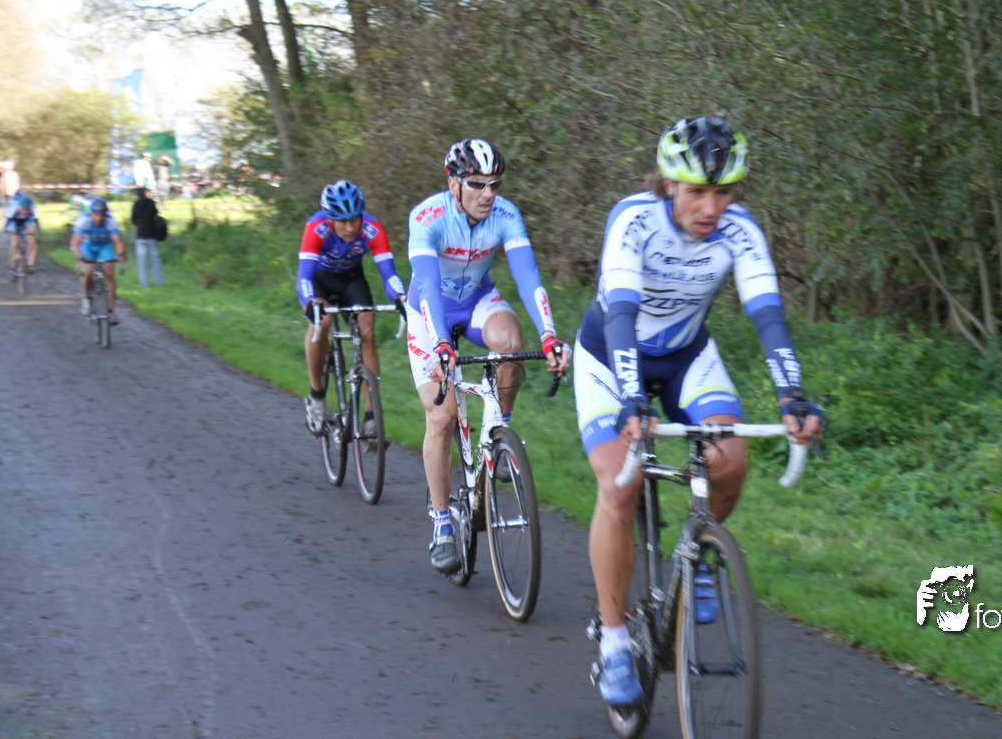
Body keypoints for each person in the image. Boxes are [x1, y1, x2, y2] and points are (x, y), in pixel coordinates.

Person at [575, 117, 823, 705]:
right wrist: (632, 399)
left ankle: (701, 554)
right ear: (668, 184)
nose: (711, 207)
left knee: (730, 460)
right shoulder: (633, 220)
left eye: (724, 192)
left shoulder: (740, 231)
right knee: (618, 488)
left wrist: (791, 395)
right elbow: (621, 312)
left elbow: (767, 314)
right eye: (697, 192)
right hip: (611, 356)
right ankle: (614, 643)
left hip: (686, 357)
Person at [405, 138, 571, 575]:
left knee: (511, 343)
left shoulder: (505, 215)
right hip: (429, 310)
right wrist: (441, 344)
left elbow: (527, 275)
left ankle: (498, 433)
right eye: (477, 184)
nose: (488, 193)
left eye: (495, 184)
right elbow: (426, 283)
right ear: (454, 184)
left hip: (476, 299)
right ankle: (442, 523)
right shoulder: (427, 217)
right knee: (441, 418)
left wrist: (549, 335)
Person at [299, 180, 407, 436]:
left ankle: (371, 418)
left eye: (354, 219)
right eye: (342, 221)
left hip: (350, 279)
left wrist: (401, 297)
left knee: (366, 326)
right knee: (322, 323)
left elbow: (389, 274)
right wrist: (310, 302)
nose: (350, 228)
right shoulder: (316, 228)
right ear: (330, 219)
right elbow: (304, 276)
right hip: (319, 280)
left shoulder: (372, 229)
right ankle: (316, 396)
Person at [72, 197, 128, 323]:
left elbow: (118, 242)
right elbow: (75, 243)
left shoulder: (111, 221)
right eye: (96, 214)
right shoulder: (83, 221)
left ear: (105, 214)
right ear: (91, 213)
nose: (99, 218)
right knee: (88, 271)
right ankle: (86, 298)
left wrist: (121, 255)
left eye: (102, 215)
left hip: (104, 246)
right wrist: (80, 257)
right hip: (87, 245)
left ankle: (111, 311)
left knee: (109, 273)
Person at [130, 187, 164, 287]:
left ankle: (144, 284)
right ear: (145, 193)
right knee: (155, 260)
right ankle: (159, 282)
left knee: (142, 262)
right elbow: (155, 214)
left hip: (140, 235)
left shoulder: (136, 204)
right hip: (151, 235)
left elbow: (133, 220)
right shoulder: (151, 203)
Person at [3, 192, 41, 273]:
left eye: (27, 209)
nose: (25, 211)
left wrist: (38, 231)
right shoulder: (13, 210)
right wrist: (7, 230)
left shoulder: (33, 211)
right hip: (14, 222)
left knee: (31, 240)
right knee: (14, 243)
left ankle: (30, 264)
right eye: (23, 209)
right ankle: (12, 265)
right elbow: (8, 223)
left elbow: (37, 223)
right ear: (19, 207)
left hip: (27, 222)